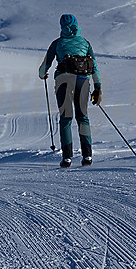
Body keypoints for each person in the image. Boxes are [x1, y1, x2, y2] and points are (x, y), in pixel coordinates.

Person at [38, 14, 102, 167]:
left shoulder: (58, 43)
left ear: (61, 26)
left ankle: (67, 158)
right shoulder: (85, 43)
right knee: (83, 117)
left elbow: (43, 68)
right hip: (83, 81)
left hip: (63, 81)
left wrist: (43, 74)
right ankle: (87, 156)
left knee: (66, 118)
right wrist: (98, 87)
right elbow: (94, 66)